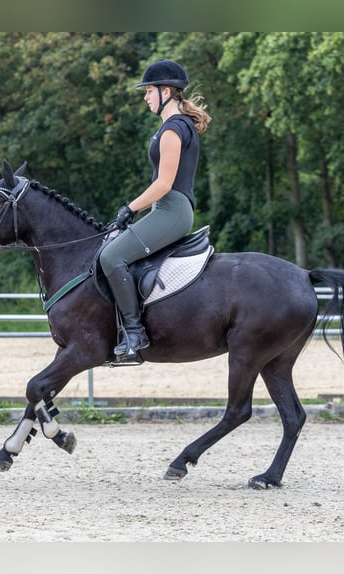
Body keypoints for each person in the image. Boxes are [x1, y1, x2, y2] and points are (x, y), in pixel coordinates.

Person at [99, 58, 212, 363]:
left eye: (148, 91)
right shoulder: (171, 127)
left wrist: (129, 208)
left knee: (111, 256)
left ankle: (135, 334)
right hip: (166, 209)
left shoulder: (174, 129)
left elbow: (164, 183)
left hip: (171, 210)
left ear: (166, 92)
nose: (145, 97)